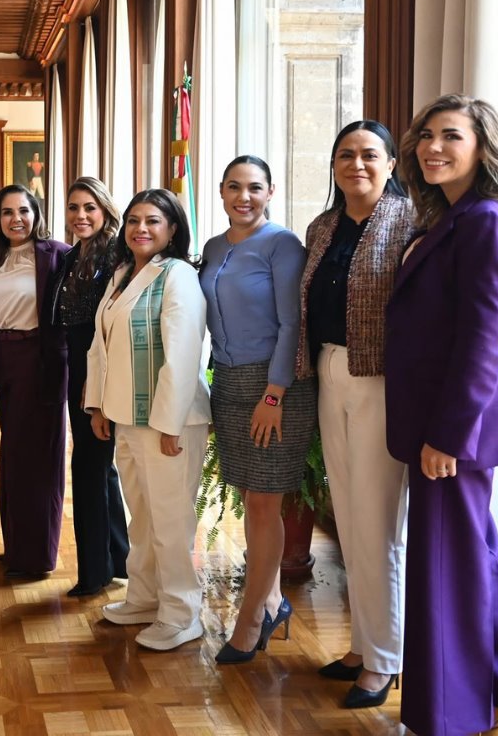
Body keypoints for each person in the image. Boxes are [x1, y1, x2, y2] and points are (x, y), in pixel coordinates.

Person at [387, 94, 498, 736]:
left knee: (445, 565)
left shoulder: (487, 220)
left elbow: (480, 339)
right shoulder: (451, 216)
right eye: (425, 136)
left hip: (457, 427)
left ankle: (452, 715)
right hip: (442, 415)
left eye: (450, 136)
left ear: (484, 147)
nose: (432, 148)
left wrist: (447, 436)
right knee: (469, 555)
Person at [293, 121, 411, 706]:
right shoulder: (323, 227)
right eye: (345, 154)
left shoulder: (411, 224)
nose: (356, 164)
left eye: (369, 155)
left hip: (382, 380)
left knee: (378, 522)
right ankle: (363, 645)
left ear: (391, 165)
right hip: (329, 370)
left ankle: (385, 658)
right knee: (347, 514)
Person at [201, 155, 315, 664]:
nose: (242, 197)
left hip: (273, 385)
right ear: (221, 192)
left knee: (266, 502)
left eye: (254, 188)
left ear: (270, 193)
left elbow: (292, 324)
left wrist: (274, 394)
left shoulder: (283, 244)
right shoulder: (212, 247)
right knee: (252, 499)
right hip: (226, 379)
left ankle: (251, 620)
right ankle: (271, 601)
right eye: (233, 187)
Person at [85, 188, 210, 651]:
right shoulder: (120, 275)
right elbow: (100, 346)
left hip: (169, 424)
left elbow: (182, 354)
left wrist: (170, 424)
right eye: (134, 219)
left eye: (153, 220)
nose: (141, 228)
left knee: (172, 520)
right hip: (125, 416)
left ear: (173, 228)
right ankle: (144, 597)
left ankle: (181, 614)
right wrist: (97, 405)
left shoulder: (178, 275)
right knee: (143, 517)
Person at [0, 184, 70, 577]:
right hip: (4, 359)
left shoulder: (55, 255)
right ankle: (16, 546)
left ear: (36, 214)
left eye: (24, 211)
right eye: (8, 212)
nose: (17, 219)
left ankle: (37, 557)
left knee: (40, 461)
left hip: (39, 360)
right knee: (13, 455)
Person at [50, 176, 129, 597]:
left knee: (89, 466)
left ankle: (93, 573)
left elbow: (112, 325)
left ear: (105, 211)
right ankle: (119, 558)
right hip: (75, 366)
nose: (80, 216)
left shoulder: (117, 254)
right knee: (100, 465)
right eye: (74, 208)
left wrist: (95, 385)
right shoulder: (72, 256)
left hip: (100, 368)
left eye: (89, 208)